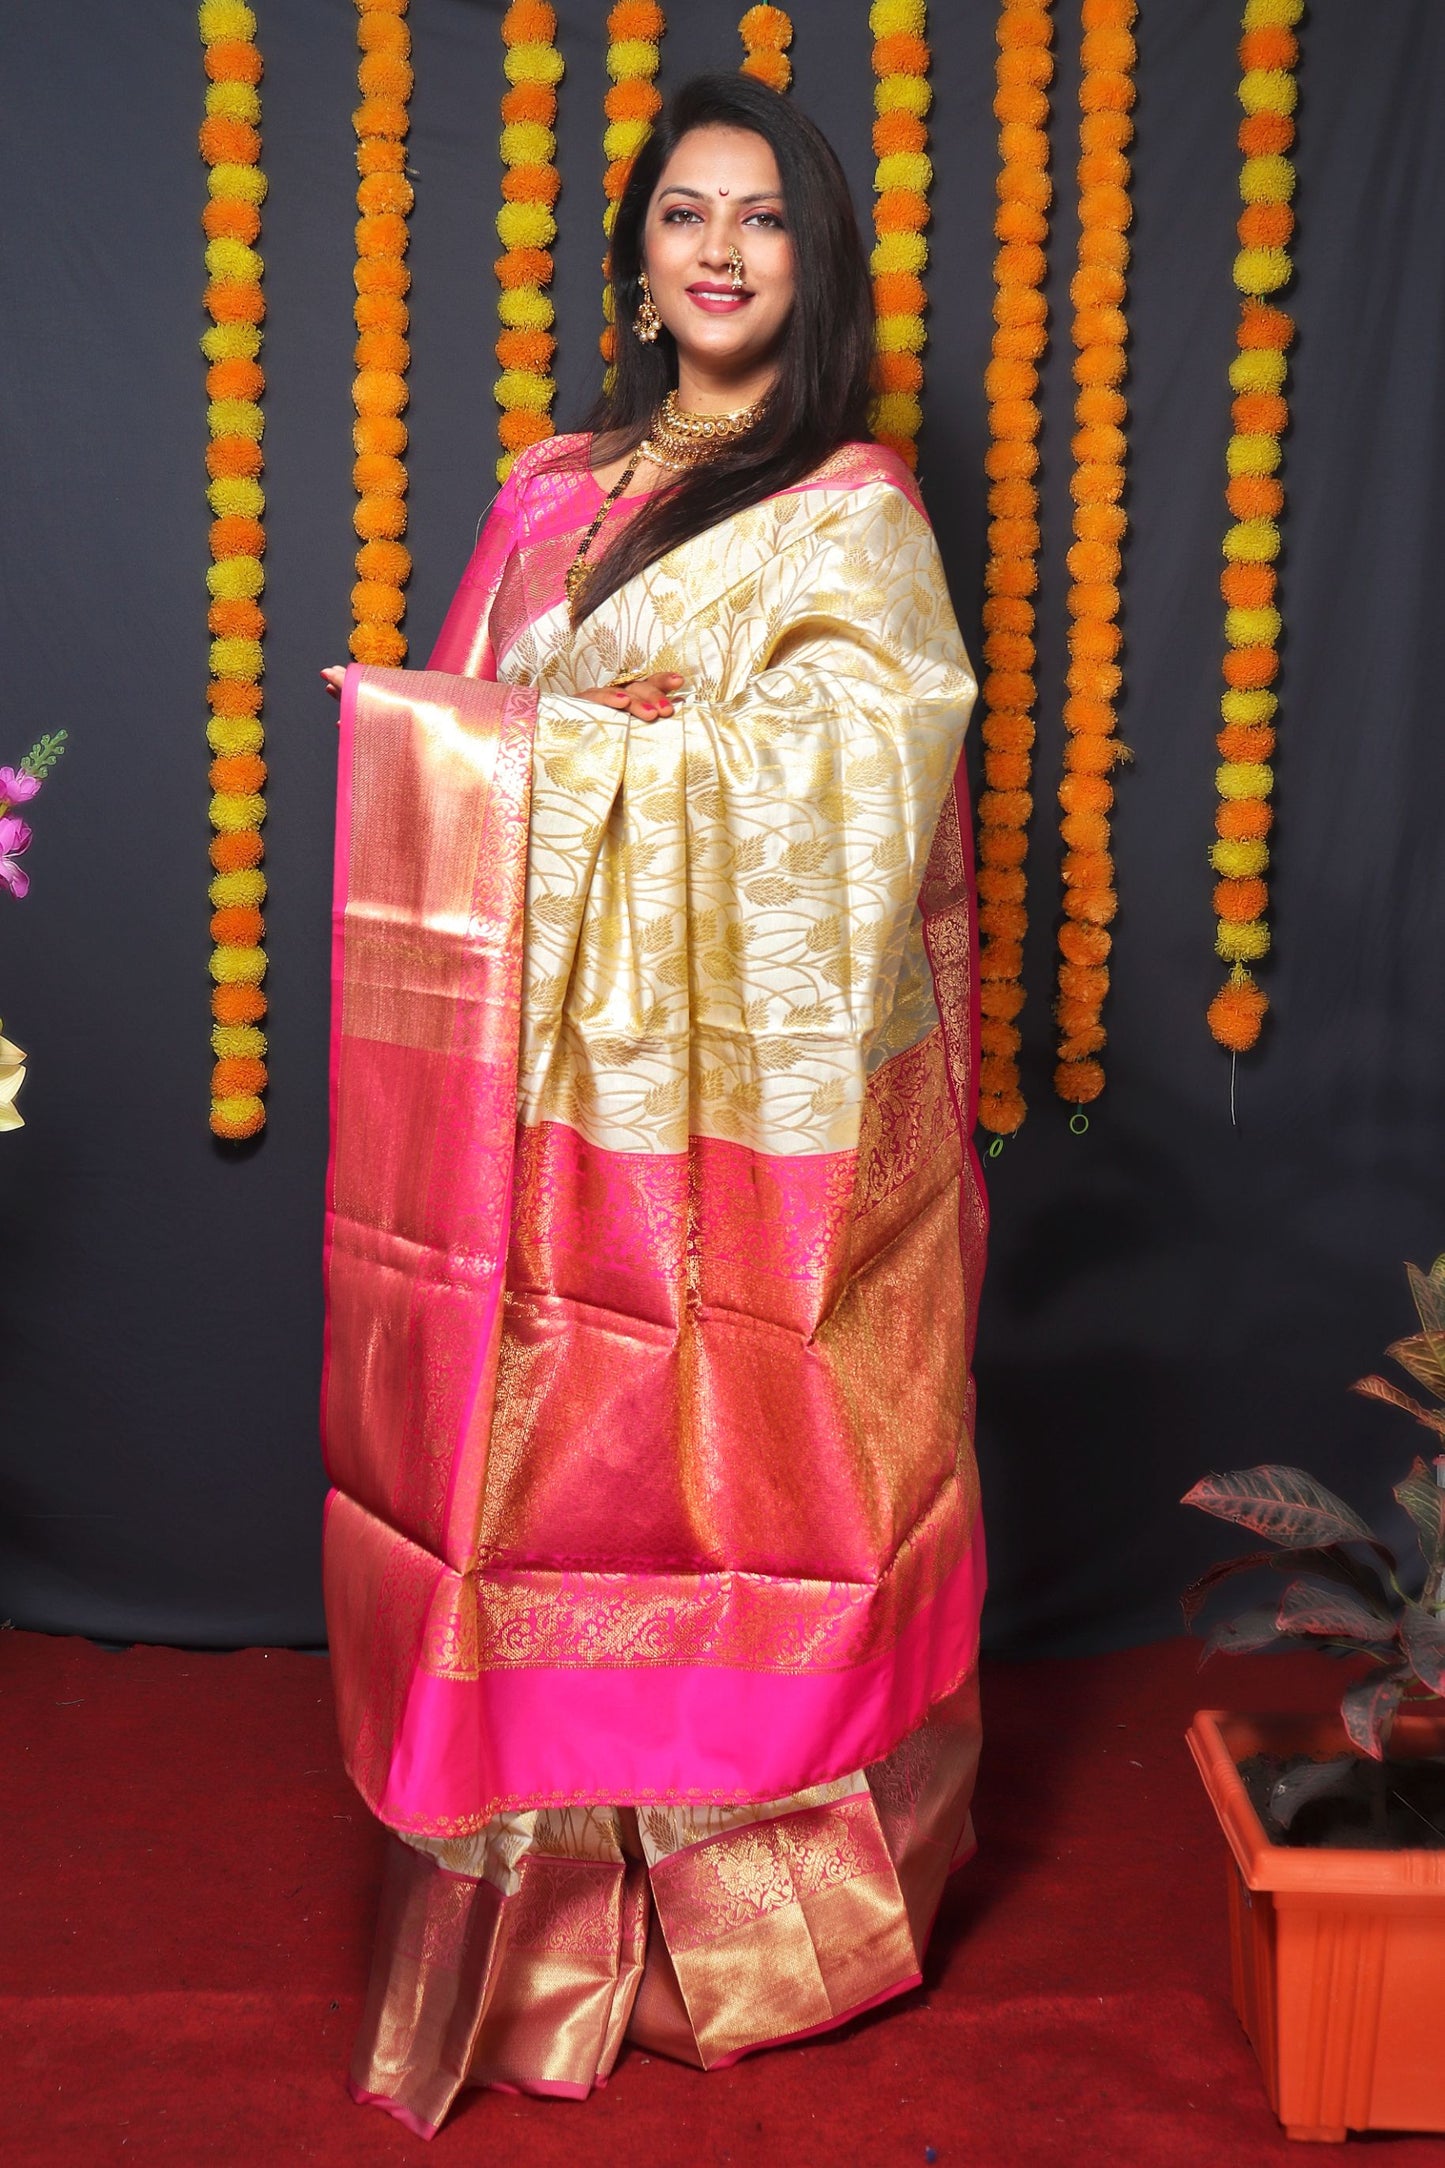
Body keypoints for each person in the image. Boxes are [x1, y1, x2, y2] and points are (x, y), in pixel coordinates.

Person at [319, 70, 986, 2139]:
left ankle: (758, 1922)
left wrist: (610, 760)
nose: (718, 249)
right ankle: (539, 1896)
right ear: (638, 253)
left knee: (748, 1471)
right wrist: (532, 756)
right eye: (685, 213)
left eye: (763, 219)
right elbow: (474, 786)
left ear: (818, 262)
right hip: (538, 1101)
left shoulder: (853, 513)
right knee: (530, 1465)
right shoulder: (552, 490)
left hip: (743, 1129)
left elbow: (870, 780)